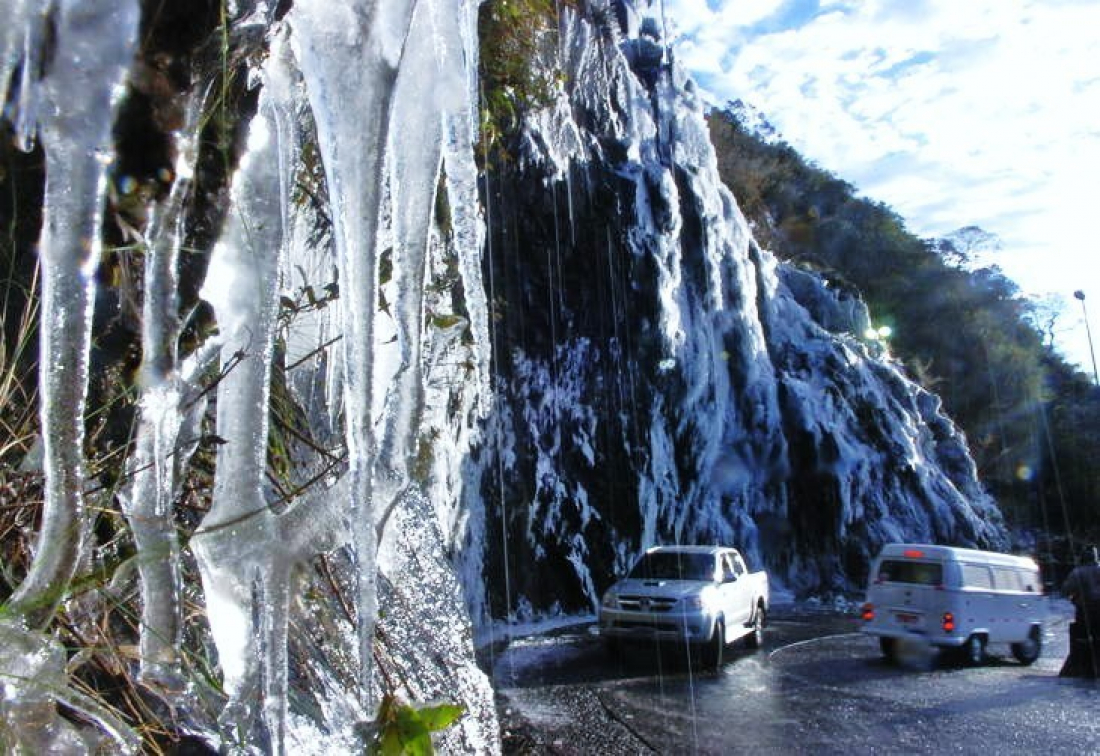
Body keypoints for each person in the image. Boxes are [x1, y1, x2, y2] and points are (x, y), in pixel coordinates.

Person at [1060, 547, 1100, 678]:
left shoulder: (1078, 572)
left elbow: (1066, 590)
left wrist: (1074, 597)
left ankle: (1082, 666)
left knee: (1082, 639)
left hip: (1085, 611)